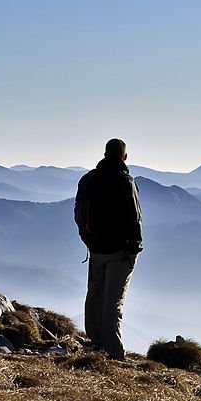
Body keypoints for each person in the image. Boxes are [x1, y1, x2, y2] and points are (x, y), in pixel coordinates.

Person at [73, 138, 143, 361]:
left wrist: (88, 241)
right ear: (124, 156)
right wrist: (135, 248)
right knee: (114, 302)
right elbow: (135, 218)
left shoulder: (88, 180)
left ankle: (96, 342)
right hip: (120, 252)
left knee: (95, 296)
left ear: (104, 154)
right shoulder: (125, 181)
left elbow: (78, 213)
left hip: (96, 250)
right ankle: (113, 353)